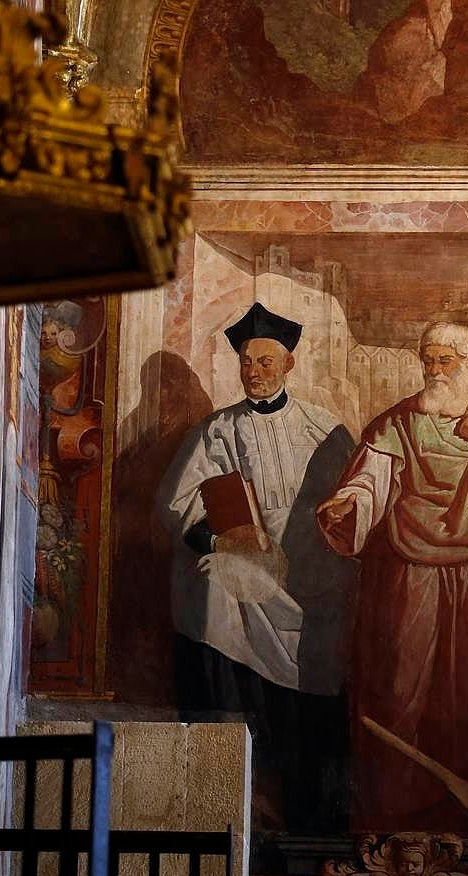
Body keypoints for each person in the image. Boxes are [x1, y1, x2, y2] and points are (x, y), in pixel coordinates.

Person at [316, 321, 468, 830]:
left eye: (447, 361)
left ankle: (466, 812)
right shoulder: (398, 422)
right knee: (402, 683)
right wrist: (346, 506)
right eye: (429, 361)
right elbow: (369, 483)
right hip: (410, 571)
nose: (436, 371)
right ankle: (396, 807)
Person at [158, 302, 357, 832]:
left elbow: (358, 498)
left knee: (336, 622)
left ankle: (316, 800)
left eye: (266, 362)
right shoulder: (217, 431)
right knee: (212, 584)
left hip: (314, 563)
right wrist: (217, 536)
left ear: (288, 365)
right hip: (246, 556)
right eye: (248, 362)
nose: (255, 372)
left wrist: (338, 524)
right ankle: (229, 768)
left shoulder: (325, 429)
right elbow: (178, 503)